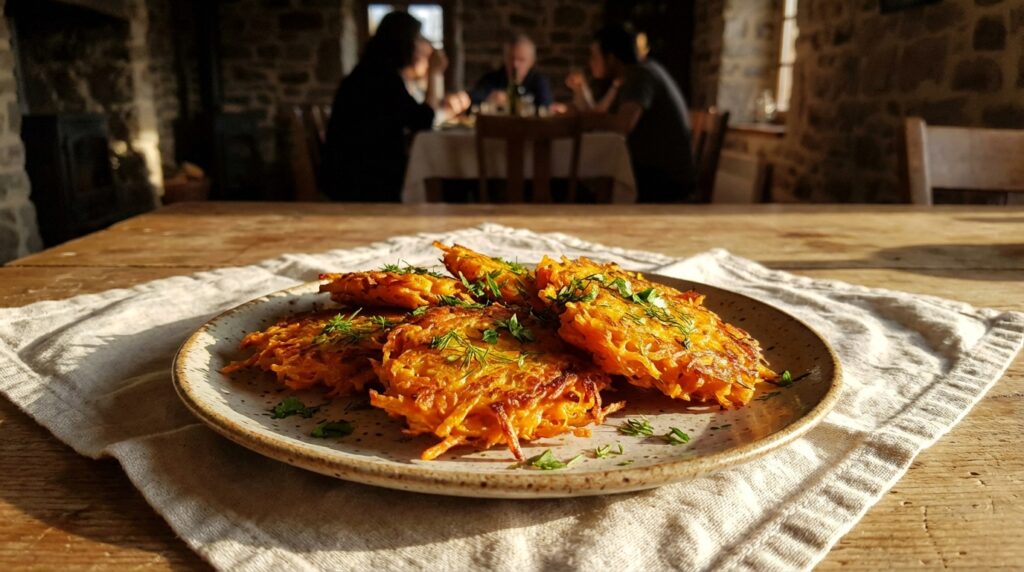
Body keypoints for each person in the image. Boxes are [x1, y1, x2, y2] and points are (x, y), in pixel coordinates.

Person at [321, 11, 468, 202]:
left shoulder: (371, 71)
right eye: (416, 40)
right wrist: (434, 74)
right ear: (403, 41)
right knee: (449, 184)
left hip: (350, 172)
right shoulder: (381, 78)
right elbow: (423, 120)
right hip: (362, 180)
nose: (420, 47)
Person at [565, 25, 695, 203]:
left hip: (663, 181)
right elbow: (602, 114)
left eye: (594, 55)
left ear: (611, 59)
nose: (590, 62)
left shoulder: (641, 75)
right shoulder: (632, 75)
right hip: (658, 173)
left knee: (568, 186)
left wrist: (579, 119)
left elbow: (623, 125)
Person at [469, 34, 553, 109]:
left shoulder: (539, 82)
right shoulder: (490, 79)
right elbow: (471, 101)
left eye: (521, 60)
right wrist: (488, 99)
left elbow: (546, 107)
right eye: (511, 58)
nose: (515, 64)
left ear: (531, 62)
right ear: (505, 58)